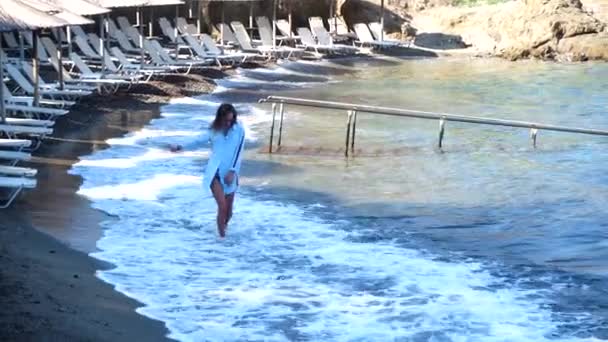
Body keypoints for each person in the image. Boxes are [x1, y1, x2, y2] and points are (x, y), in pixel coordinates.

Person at [169, 104, 245, 238]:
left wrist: (233, 171)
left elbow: (239, 152)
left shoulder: (239, 130)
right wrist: (180, 145)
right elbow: (197, 140)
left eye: (230, 121)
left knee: (228, 213)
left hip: (231, 174)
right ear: (219, 118)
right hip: (215, 172)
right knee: (222, 206)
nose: (228, 123)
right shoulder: (213, 130)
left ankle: (223, 230)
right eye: (225, 120)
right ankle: (222, 240)